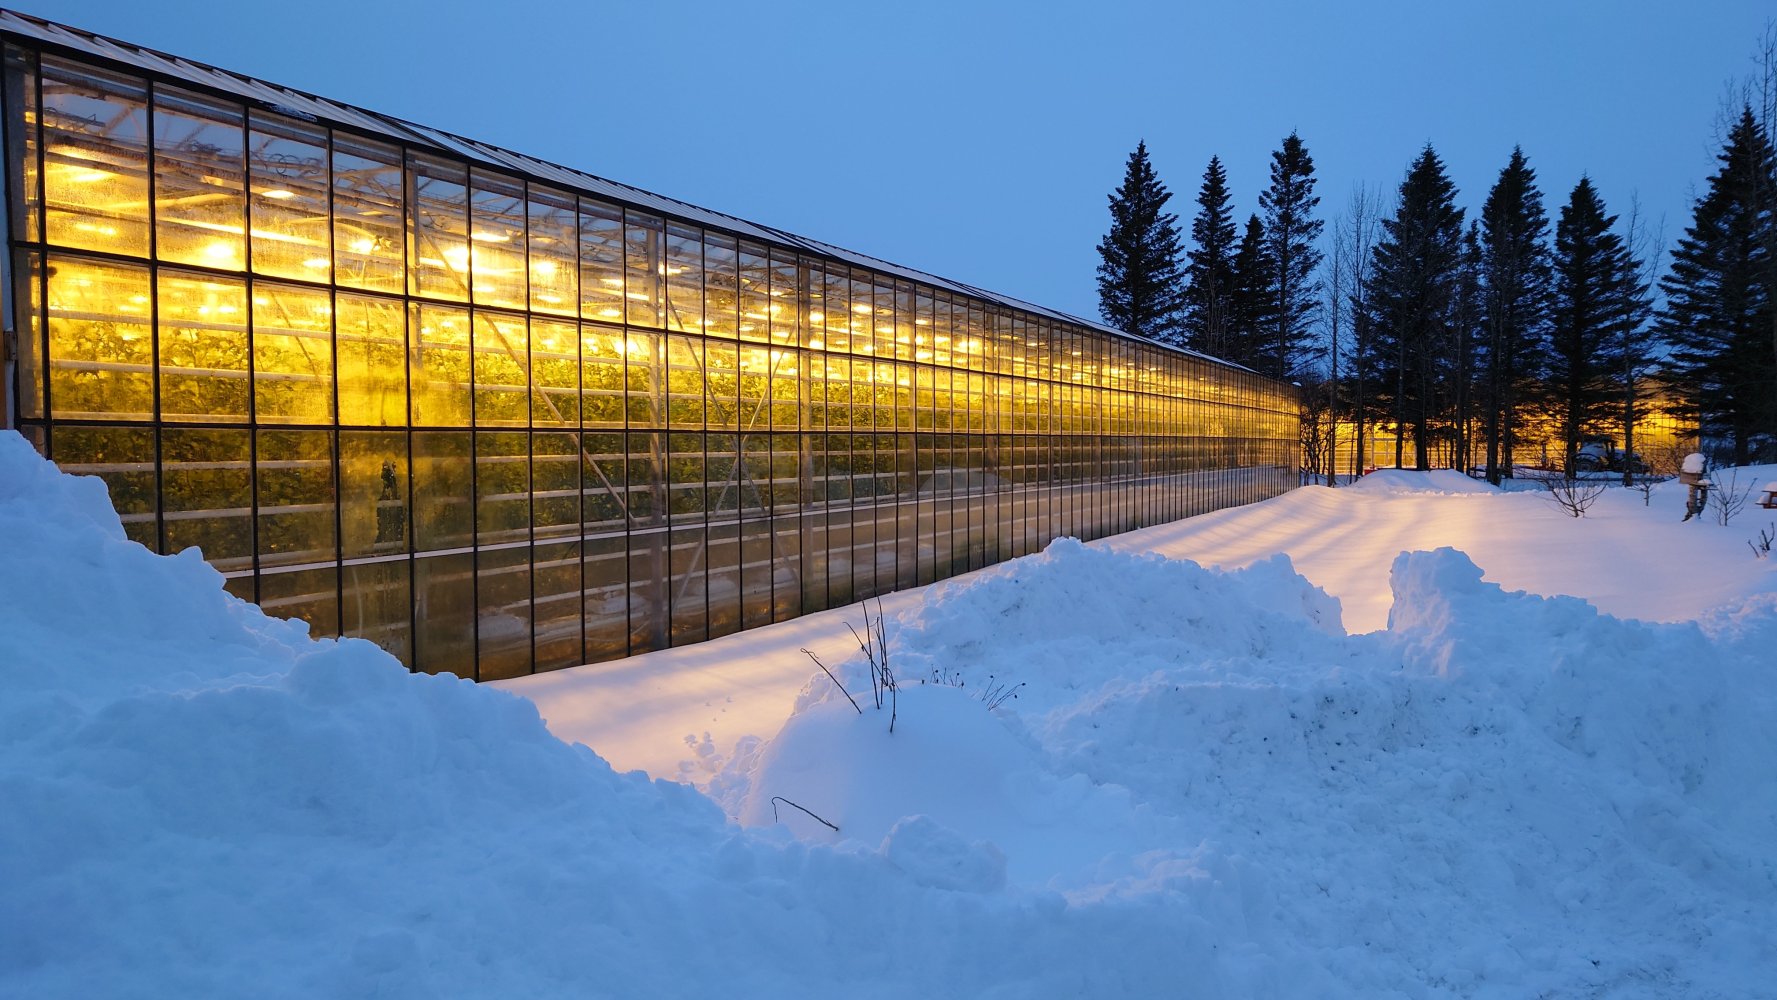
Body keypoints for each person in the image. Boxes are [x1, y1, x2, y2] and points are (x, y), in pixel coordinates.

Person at [1679, 452, 1709, 522]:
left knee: (1701, 496)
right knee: (1694, 497)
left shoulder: (1701, 465)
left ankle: (1693, 514)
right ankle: (1692, 514)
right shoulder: (1695, 466)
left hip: (1700, 480)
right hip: (1697, 480)